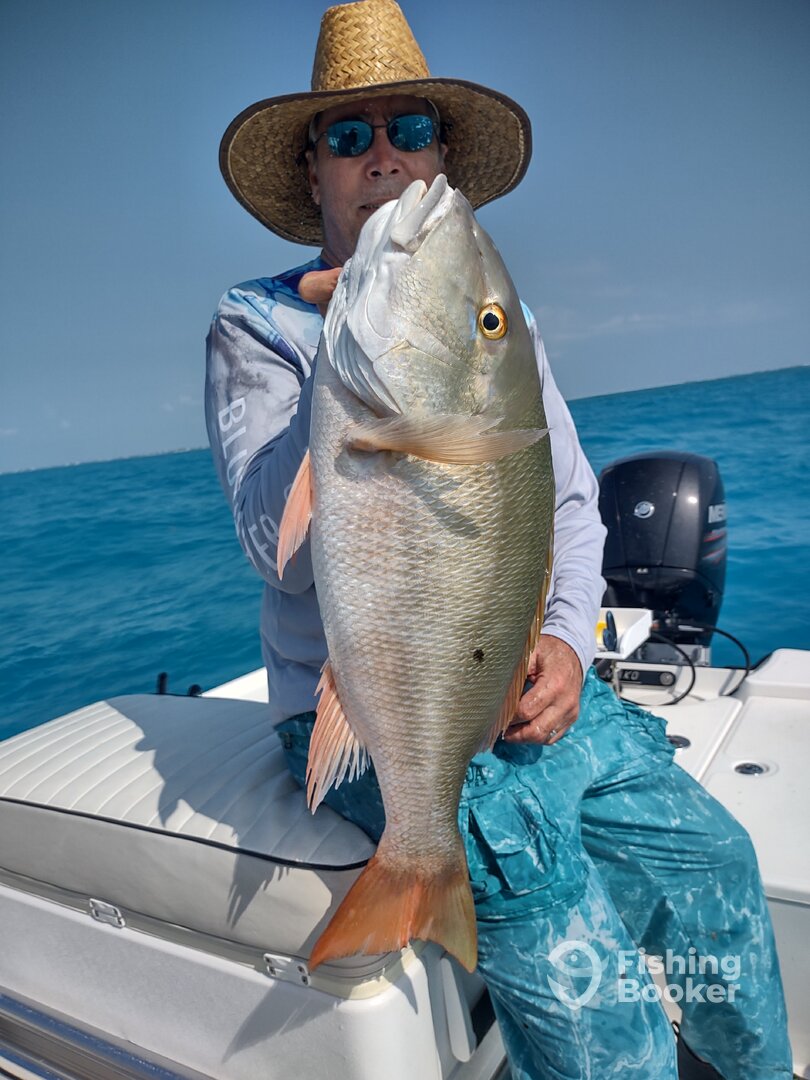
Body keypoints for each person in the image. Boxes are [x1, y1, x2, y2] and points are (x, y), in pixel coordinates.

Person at [206, 2, 792, 1077]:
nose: (384, 156)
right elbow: (270, 547)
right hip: (374, 707)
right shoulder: (259, 323)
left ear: (438, 156)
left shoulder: (494, 315)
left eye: (410, 129)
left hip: (514, 675)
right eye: (350, 135)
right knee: (598, 998)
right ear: (313, 168)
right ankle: (430, 872)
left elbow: (565, 502)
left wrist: (565, 640)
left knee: (717, 860)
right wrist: (345, 353)